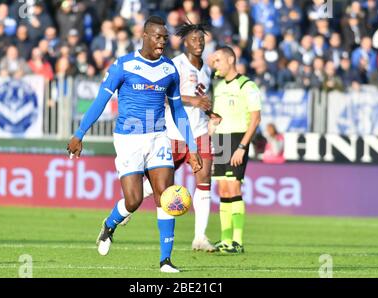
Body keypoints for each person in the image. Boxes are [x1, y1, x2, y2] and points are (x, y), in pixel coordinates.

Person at [66, 16, 202, 273]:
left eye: (165, 37)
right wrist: (79, 133)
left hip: (158, 135)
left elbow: (178, 111)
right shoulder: (124, 65)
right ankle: (110, 224)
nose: (163, 41)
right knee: (134, 200)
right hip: (129, 138)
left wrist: (192, 147)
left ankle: (166, 260)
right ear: (146, 36)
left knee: (165, 194)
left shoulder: (169, 70)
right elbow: (100, 101)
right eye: (158, 37)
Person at [119, 22, 223, 252]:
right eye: (194, 39)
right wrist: (194, 100)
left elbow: (200, 100)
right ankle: (127, 206)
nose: (199, 43)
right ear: (184, 42)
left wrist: (208, 111)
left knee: (204, 181)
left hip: (200, 132)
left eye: (202, 39)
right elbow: (164, 98)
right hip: (174, 134)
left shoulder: (205, 70)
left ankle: (199, 237)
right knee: (160, 185)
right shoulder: (174, 65)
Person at [211, 46, 262, 254]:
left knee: (234, 188)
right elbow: (216, 116)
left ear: (231, 60)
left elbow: (256, 118)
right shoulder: (219, 86)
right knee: (222, 189)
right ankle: (225, 240)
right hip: (220, 139)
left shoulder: (247, 86)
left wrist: (242, 146)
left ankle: (238, 242)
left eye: (218, 60)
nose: (215, 65)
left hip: (236, 139)